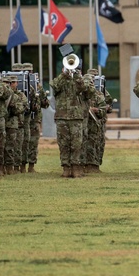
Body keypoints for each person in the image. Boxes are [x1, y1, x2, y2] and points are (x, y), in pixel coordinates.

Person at [51, 46, 95, 178]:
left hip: (76, 117)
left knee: (77, 144)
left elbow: (87, 91)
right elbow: (55, 87)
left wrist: (77, 77)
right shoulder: (60, 79)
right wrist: (64, 75)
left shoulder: (80, 80)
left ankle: (76, 168)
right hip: (62, 117)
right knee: (63, 144)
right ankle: (66, 168)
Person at [83, 68, 113, 174]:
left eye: (95, 77)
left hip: (97, 122)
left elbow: (108, 104)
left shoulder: (100, 92)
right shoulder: (80, 94)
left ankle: (95, 164)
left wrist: (104, 108)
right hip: (84, 123)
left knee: (97, 143)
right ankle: (83, 164)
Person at [3, 74, 28, 175]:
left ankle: (12, 167)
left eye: (12, 83)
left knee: (12, 146)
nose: (10, 85)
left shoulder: (18, 96)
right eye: (5, 83)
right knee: (0, 146)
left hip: (13, 124)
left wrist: (13, 107)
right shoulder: (0, 94)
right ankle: (1, 167)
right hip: (1, 123)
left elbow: (22, 108)